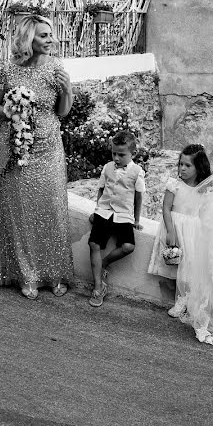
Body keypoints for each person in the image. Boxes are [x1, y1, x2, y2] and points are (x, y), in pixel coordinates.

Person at [0, 14, 74, 299]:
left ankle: (54, 273)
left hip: (49, 150)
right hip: (16, 151)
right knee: (20, 214)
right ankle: (27, 274)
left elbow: (62, 111)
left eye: (51, 35)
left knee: (51, 211)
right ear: (28, 39)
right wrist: (10, 111)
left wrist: (67, 88)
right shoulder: (7, 69)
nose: (51, 40)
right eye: (44, 35)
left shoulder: (56, 68)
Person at [147, 144, 212, 318]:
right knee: (173, 265)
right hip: (174, 228)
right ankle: (178, 299)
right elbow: (166, 208)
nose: (182, 168)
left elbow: (205, 213)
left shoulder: (204, 190)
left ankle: (185, 301)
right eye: (180, 164)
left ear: (199, 167)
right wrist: (170, 231)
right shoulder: (174, 185)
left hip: (192, 232)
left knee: (189, 267)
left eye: (187, 165)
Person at [87, 130, 145, 307]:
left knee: (128, 246)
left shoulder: (137, 172)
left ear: (133, 154)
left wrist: (136, 219)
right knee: (94, 244)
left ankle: (104, 263)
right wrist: (97, 210)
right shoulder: (107, 167)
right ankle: (98, 287)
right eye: (114, 153)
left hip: (123, 214)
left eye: (121, 154)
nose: (117, 158)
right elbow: (101, 189)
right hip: (104, 211)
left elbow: (138, 197)